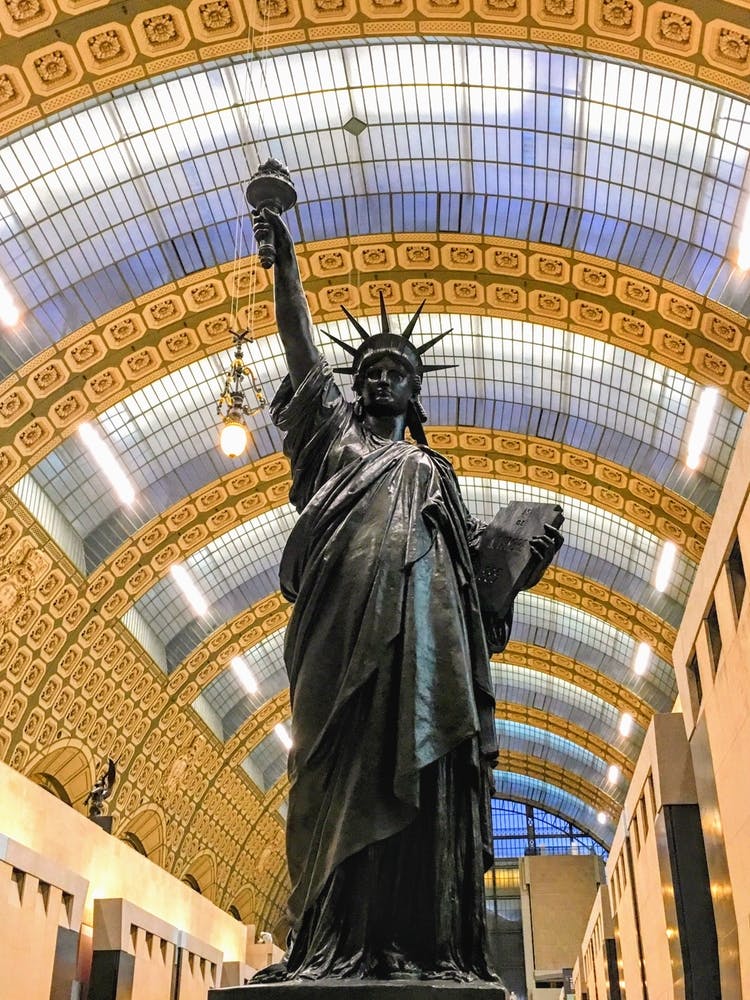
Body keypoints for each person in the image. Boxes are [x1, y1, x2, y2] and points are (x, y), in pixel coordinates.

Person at [251, 207, 561, 982]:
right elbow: (300, 346)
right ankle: (335, 940)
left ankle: (416, 945)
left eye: (396, 370)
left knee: (421, 777)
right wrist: (285, 261)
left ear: (416, 388)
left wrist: (520, 558)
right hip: (340, 631)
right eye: (371, 369)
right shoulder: (335, 440)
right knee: (338, 775)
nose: (380, 375)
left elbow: (471, 588)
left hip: (423, 652)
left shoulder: (432, 472)